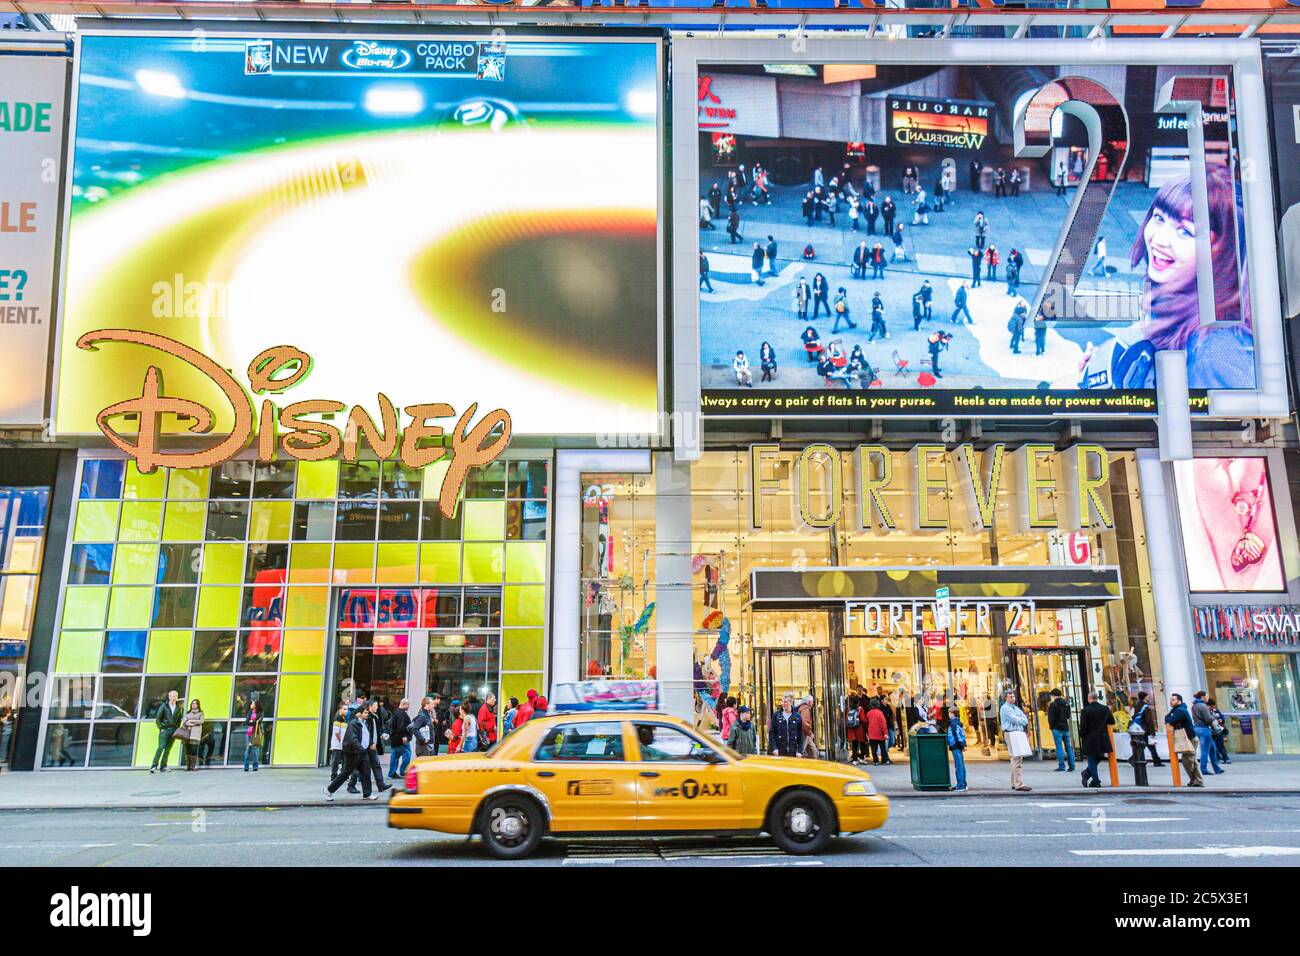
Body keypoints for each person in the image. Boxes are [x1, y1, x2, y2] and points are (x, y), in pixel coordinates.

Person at [326, 704, 377, 801]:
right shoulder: (353, 724)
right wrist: (361, 749)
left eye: (367, 712)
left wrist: (370, 743)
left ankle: (367, 794)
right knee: (345, 773)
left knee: (366, 773)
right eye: (365, 713)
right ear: (359, 713)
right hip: (353, 753)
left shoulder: (363, 723)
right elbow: (353, 739)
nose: (367, 714)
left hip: (362, 752)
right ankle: (328, 790)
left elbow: (366, 735)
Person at [1165, 693, 1204, 787]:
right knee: (1191, 760)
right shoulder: (1177, 710)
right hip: (1188, 738)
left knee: (1187, 760)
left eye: (1173, 700)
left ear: (1179, 701)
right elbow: (1167, 717)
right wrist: (1169, 716)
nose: (1171, 701)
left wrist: (1169, 716)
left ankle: (1197, 780)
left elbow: (1170, 720)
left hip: (1190, 738)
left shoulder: (1180, 711)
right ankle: (1196, 780)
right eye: (1170, 699)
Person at [1078, 691, 1114, 788]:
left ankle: (1094, 779)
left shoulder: (1085, 710)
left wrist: (1081, 735)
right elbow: (1112, 721)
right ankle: (1089, 775)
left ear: (1089, 698)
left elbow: (1083, 726)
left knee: (1091, 758)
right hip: (1102, 737)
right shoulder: (1105, 709)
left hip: (1090, 738)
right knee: (1098, 757)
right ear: (1097, 698)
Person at [1000, 690, 1032, 792]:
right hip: (1011, 733)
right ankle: (1019, 783)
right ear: (1006, 698)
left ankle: (1015, 782)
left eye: (1013, 696)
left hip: (1017, 733)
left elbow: (1025, 719)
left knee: (1016, 758)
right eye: (1010, 697)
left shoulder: (1015, 708)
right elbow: (1015, 719)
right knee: (1017, 758)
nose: (1013, 698)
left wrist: (1021, 719)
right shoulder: (1005, 708)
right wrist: (1021, 719)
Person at [149, 689, 183, 773]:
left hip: (173, 731)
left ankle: (163, 766)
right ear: (169, 697)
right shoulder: (164, 706)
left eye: (176, 696)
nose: (174, 697)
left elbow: (179, 719)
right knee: (161, 747)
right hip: (165, 730)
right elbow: (158, 719)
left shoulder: (178, 708)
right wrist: (162, 728)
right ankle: (154, 766)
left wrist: (176, 728)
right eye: (173, 696)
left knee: (168, 749)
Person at [1191, 690, 1224, 776]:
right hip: (1204, 729)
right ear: (1202, 697)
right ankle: (1203, 769)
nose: (1206, 698)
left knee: (1212, 748)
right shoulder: (1203, 706)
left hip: (1197, 728)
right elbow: (1208, 719)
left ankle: (1217, 768)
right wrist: (1215, 716)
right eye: (1205, 696)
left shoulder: (1194, 706)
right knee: (1205, 750)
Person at [1131, 691, 1164, 768]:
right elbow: (1149, 721)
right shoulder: (1146, 707)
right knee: (1149, 746)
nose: (1148, 698)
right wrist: (1152, 732)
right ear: (1145, 697)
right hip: (1146, 730)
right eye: (1147, 696)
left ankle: (1156, 761)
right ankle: (1156, 761)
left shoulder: (1137, 706)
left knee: (1146, 745)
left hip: (1139, 729)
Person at [1046, 688, 1076, 773]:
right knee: (1068, 747)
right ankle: (1072, 766)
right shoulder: (1066, 704)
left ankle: (1062, 766)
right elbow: (1068, 716)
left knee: (1059, 747)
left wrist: (1051, 727)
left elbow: (1051, 718)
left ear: (1053, 695)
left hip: (1056, 728)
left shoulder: (1053, 705)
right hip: (1065, 728)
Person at [770, 691, 803, 757]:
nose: (783, 704)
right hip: (779, 751)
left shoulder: (797, 716)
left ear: (791, 702)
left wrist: (800, 751)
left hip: (793, 752)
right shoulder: (776, 715)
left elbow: (800, 735)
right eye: (782, 701)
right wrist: (774, 748)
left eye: (785, 702)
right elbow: (772, 733)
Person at [947, 706, 968, 791]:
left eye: (949, 713)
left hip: (956, 746)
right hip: (958, 745)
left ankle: (961, 785)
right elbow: (961, 735)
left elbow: (957, 735)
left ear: (952, 713)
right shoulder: (957, 722)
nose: (948, 714)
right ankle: (962, 783)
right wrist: (963, 744)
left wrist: (961, 745)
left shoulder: (953, 723)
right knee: (961, 765)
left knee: (959, 765)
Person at [181, 699, 204, 772]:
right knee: (188, 750)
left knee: (194, 750)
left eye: (195, 704)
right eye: (192, 704)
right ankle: (187, 766)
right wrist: (194, 723)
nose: (193, 705)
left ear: (198, 705)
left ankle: (193, 766)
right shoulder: (188, 712)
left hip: (195, 734)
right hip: (187, 733)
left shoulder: (201, 713)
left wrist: (191, 721)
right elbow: (185, 722)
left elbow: (201, 721)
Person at [1208, 696, 1232, 765]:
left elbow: (1222, 718)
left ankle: (1226, 758)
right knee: (1213, 745)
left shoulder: (1216, 711)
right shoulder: (1206, 711)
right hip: (1211, 730)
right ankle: (1217, 758)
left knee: (1220, 744)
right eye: (1212, 706)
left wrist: (1220, 720)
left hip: (1218, 729)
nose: (1213, 707)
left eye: (1213, 706)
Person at [866, 699, 890, 765]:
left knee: (874, 749)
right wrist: (885, 733)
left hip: (871, 733)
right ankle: (884, 760)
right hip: (880, 733)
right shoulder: (880, 713)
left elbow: (867, 723)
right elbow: (883, 723)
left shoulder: (868, 713)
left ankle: (875, 761)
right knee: (883, 748)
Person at [243, 701, 265, 772]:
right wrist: (253, 722)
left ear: (256, 705)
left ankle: (255, 766)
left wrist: (252, 721)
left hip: (256, 733)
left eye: (252, 704)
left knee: (255, 751)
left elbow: (259, 721)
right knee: (247, 750)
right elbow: (246, 722)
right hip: (249, 733)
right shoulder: (250, 712)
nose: (251, 705)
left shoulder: (261, 712)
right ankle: (246, 766)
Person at [328, 701, 349, 774]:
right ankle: (334, 775)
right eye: (344, 709)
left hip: (342, 744)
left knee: (344, 760)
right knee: (336, 760)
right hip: (337, 744)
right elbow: (336, 733)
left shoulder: (344, 719)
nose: (346, 711)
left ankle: (342, 774)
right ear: (340, 710)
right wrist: (341, 741)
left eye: (347, 709)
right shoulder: (337, 719)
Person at [798, 694, 819, 759]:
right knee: (801, 751)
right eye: (812, 702)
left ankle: (813, 763)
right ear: (809, 702)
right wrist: (810, 733)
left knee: (813, 751)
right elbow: (804, 723)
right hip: (804, 733)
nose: (813, 703)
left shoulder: (801, 707)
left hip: (804, 733)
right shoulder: (805, 709)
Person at [846, 694, 865, 763]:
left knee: (854, 744)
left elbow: (847, 718)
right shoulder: (860, 709)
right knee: (862, 743)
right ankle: (862, 758)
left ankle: (855, 759)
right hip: (859, 728)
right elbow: (862, 719)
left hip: (851, 729)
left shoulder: (848, 709)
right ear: (858, 702)